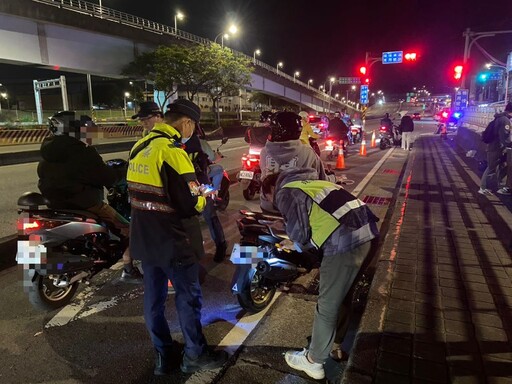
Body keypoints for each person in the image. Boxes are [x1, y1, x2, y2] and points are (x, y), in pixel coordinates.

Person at [127, 99, 228, 376]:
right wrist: (203, 198)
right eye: (193, 127)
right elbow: (187, 203)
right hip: (171, 239)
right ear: (186, 123)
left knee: (154, 300)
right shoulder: (172, 152)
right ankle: (194, 354)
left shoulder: (139, 147)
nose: (192, 132)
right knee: (188, 297)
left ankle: (163, 354)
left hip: (144, 239)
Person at [261, 168, 379, 380]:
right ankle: (335, 344)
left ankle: (313, 361)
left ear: (271, 188)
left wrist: (288, 233)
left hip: (345, 242)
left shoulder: (284, 191)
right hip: (368, 233)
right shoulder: (311, 183)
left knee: (326, 304)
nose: (273, 203)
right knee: (342, 295)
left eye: (269, 198)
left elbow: (300, 235)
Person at [37, 111, 142, 283]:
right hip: (86, 204)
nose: (90, 134)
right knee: (129, 230)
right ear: (74, 131)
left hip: (55, 204)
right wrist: (123, 172)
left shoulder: (48, 153)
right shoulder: (83, 152)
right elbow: (106, 177)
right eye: (86, 129)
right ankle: (128, 270)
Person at [168, 101, 228, 263]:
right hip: (198, 186)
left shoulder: (165, 143)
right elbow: (211, 158)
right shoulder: (196, 143)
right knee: (209, 217)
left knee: (200, 219)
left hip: (187, 189)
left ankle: (212, 249)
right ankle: (219, 247)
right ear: (187, 123)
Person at [259, 111, 334, 213]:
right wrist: (334, 178)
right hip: (297, 210)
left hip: (268, 207)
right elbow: (323, 180)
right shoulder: (308, 153)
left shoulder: (264, 152)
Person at [479, 102, 512, 196]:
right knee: (491, 167)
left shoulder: (500, 118)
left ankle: (500, 186)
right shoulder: (505, 120)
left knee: (503, 166)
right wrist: (509, 144)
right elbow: (504, 136)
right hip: (496, 147)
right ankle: (483, 187)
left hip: (496, 146)